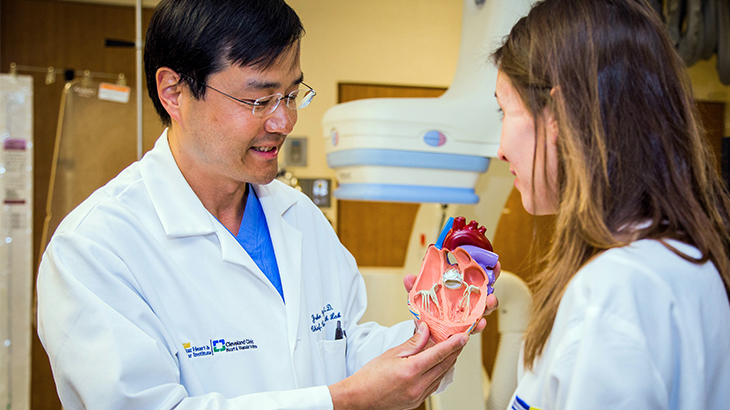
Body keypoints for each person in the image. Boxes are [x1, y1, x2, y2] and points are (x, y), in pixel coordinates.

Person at [35, 0, 498, 409]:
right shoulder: (94, 249)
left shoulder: (299, 218)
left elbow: (347, 349)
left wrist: (433, 335)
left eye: (292, 95)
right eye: (258, 100)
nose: (284, 121)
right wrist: (343, 403)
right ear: (173, 92)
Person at [493, 0, 730, 408]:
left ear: (558, 114)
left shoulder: (613, 291)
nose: (499, 150)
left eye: (504, 109)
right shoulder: (687, 260)